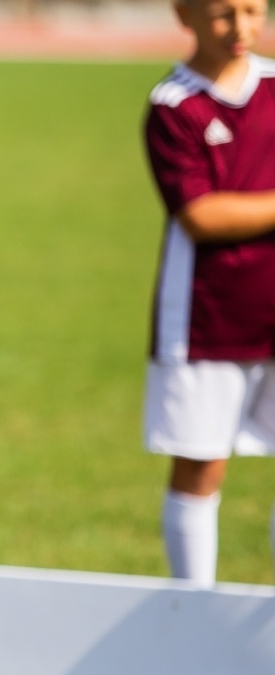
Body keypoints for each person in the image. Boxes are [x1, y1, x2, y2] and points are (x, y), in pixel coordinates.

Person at [143, 0, 275, 586]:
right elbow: (200, 215)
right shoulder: (174, 105)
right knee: (201, 466)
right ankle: (192, 605)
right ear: (186, 14)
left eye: (254, 10)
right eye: (224, 13)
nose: (241, 28)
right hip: (208, 320)